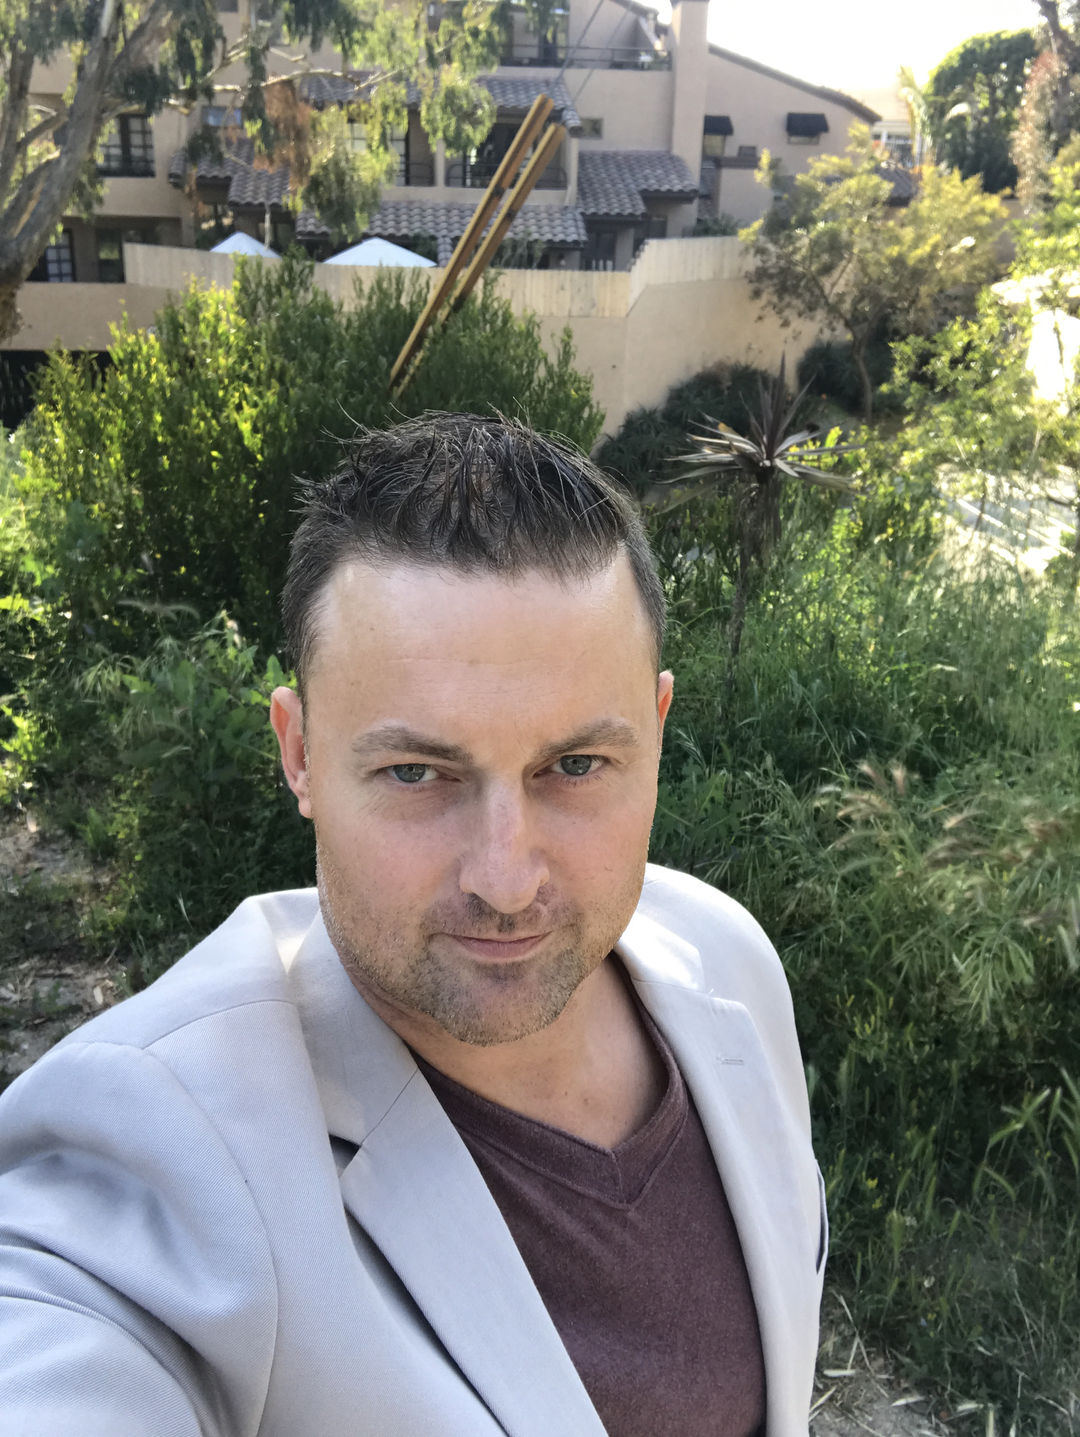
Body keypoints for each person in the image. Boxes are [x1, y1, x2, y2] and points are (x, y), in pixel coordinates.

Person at [0, 414, 826, 1436]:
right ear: (300, 754)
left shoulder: (726, 959)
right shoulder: (158, 1141)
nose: (506, 880)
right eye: (416, 773)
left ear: (655, 735)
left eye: (575, 766)